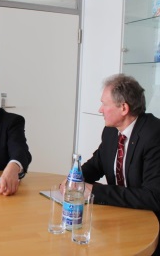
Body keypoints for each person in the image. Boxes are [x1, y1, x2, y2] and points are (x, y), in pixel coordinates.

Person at [60, 74, 160, 255]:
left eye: (104, 104)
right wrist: (73, 180)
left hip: (151, 223)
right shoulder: (111, 131)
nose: (100, 110)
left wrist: (93, 191)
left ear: (123, 108)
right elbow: (97, 164)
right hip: (123, 216)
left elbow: (153, 196)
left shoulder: (154, 135)